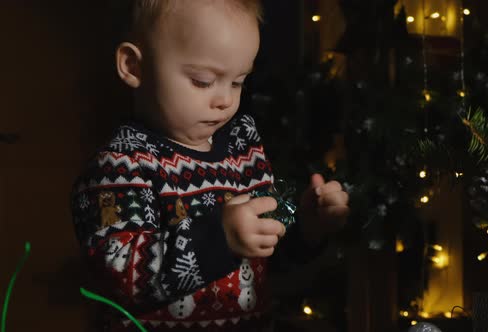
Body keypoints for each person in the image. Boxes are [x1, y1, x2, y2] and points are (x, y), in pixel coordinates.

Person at [70, 1, 349, 330]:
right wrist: (220, 237)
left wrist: (307, 226)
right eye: (202, 81)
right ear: (134, 66)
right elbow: (119, 277)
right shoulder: (121, 166)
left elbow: (265, 259)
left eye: (237, 82)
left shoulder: (243, 151)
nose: (225, 100)